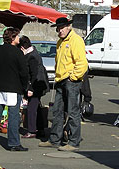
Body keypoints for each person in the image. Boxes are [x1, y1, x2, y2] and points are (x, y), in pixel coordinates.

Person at [38, 17, 89, 151]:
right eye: (58, 29)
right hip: (61, 80)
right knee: (57, 111)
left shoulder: (75, 40)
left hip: (70, 80)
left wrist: (74, 77)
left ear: (68, 27)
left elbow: (82, 63)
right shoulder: (61, 41)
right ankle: (55, 139)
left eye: (61, 28)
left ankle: (73, 142)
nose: (59, 31)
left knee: (73, 112)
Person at [0, 28, 29, 151]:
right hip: (13, 87)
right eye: (18, 36)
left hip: (0, 86)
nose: (19, 38)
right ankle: (14, 143)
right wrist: (25, 86)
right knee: (13, 115)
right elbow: (23, 72)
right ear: (13, 38)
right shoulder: (17, 52)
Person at [18, 35, 49, 138]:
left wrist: (31, 88)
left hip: (36, 85)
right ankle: (40, 129)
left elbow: (34, 73)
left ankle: (32, 130)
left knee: (32, 108)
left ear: (22, 47)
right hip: (39, 84)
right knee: (37, 108)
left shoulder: (31, 57)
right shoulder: (34, 53)